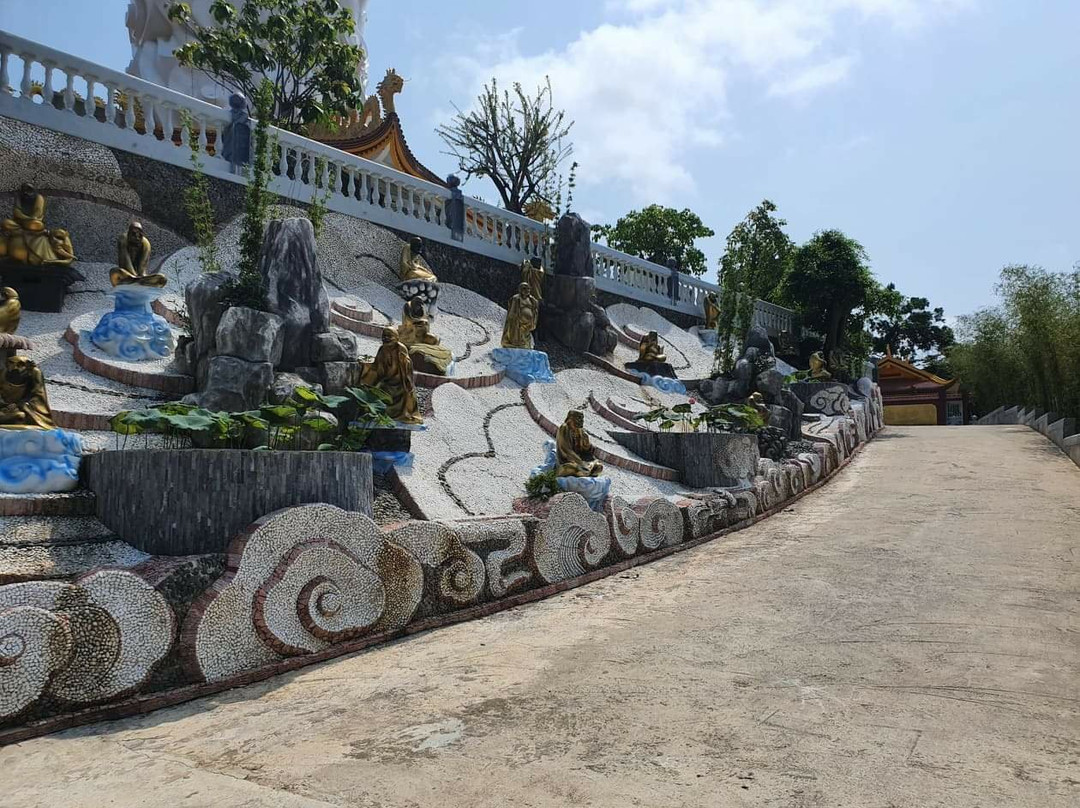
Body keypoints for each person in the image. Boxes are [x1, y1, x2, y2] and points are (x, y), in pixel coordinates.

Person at [359, 327, 422, 424]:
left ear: (396, 337)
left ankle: (402, 414)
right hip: (387, 379)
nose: (386, 338)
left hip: (400, 381)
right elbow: (377, 366)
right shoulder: (382, 349)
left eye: (389, 336)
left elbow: (407, 365)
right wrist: (366, 364)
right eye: (384, 336)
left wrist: (404, 361)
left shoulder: (401, 348)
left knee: (406, 392)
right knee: (376, 388)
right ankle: (378, 414)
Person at [110, 222, 167, 287]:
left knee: (162, 279)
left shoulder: (146, 244)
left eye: (139, 235)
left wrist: (140, 277)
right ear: (129, 234)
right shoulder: (123, 240)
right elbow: (125, 261)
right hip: (125, 275)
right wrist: (133, 277)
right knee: (114, 272)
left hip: (139, 277)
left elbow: (142, 267)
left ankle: (138, 282)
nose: (137, 237)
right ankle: (137, 282)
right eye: (134, 234)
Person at [555, 409, 604, 478]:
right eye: (579, 418)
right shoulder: (565, 428)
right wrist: (580, 463)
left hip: (581, 461)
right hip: (568, 461)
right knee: (569, 468)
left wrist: (587, 444)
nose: (582, 421)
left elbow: (585, 449)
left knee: (599, 467)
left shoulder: (580, 430)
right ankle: (583, 473)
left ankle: (585, 473)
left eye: (582, 419)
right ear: (572, 418)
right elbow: (566, 450)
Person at [501, 282, 539, 350]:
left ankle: (524, 346)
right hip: (518, 323)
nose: (527, 290)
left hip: (528, 324)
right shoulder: (516, 298)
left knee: (526, 338)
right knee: (517, 338)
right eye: (524, 288)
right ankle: (515, 344)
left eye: (528, 289)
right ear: (520, 289)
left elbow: (534, 309)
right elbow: (512, 312)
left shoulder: (531, 299)